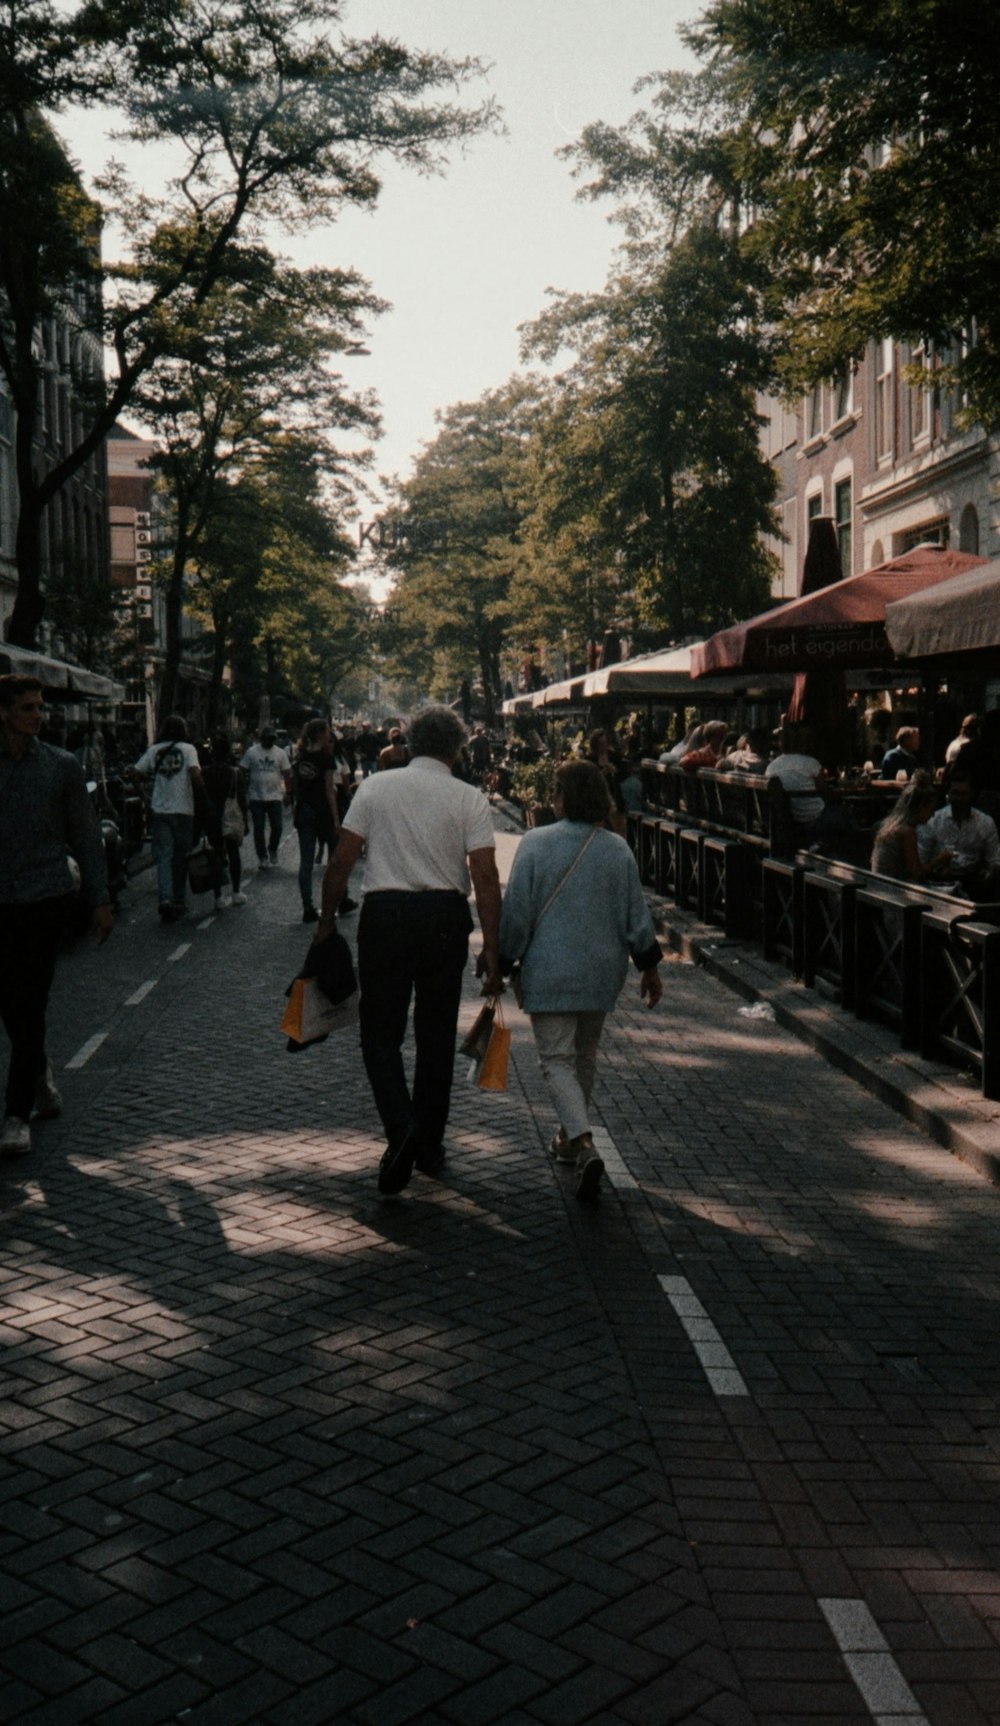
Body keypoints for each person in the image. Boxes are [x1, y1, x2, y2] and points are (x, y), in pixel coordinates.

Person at [315, 705, 502, 1195]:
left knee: (379, 1033)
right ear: (458, 749)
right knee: (436, 1034)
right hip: (444, 919)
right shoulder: (469, 798)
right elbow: (484, 876)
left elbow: (342, 860)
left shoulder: (376, 788)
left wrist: (326, 920)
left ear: (412, 743)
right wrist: (492, 947)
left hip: (386, 917)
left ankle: (400, 1128)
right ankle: (430, 1144)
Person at [499, 760, 662, 1202]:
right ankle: (569, 1138)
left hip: (549, 969)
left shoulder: (534, 843)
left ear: (561, 797)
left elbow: (516, 911)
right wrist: (649, 965)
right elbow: (636, 915)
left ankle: (584, 1143)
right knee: (584, 1055)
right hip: (601, 970)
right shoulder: (617, 849)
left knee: (556, 1060)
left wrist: (503, 959)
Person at [0, 675, 114, 1156]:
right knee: (12, 1003)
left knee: (31, 1000)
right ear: (3, 713)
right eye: (27, 708)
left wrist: (100, 899)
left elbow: (86, 835)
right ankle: (40, 1073)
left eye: (40, 707)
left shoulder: (61, 766)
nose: (38, 716)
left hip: (46, 899)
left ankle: (14, 1115)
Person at [133, 715, 206, 920]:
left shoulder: (154, 750)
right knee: (181, 856)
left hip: (160, 810)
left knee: (164, 856)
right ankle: (179, 900)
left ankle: (164, 899)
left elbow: (135, 773)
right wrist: (203, 797)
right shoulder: (189, 749)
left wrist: (145, 798)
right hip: (184, 810)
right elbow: (194, 773)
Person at [917, 764, 1000, 899]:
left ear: (972, 795)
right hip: (939, 882)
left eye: (963, 794)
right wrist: (936, 868)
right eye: (955, 793)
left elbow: (995, 859)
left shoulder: (985, 822)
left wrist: (991, 872)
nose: (959, 798)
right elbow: (921, 860)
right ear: (948, 794)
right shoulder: (934, 820)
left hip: (973, 881)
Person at [292, 719, 341, 923]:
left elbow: (296, 786)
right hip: (322, 811)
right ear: (321, 734)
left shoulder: (300, 756)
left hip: (303, 811)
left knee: (306, 862)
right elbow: (330, 791)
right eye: (327, 731)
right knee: (335, 858)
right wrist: (336, 818)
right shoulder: (326, 759)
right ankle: (337, 900)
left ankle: (307, 906)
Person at [871, 772, 949, 883]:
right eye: (930, 810)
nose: (932, 815)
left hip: (882, 883)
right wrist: (939, 861)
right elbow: (916, 873)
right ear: (921, 808)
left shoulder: (890, 824)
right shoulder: (906, 832)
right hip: (892, 889)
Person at [201, 734, 248, 908]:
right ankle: (236, 892)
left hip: (212, 816)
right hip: (230, 816)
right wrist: (245, 820)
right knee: (233, 853)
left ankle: (218, 896)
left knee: (214, 856)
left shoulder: (204, 772)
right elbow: (242, 798)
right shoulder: (235, 773)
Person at [241, 725, 292, 869]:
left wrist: (288, 793)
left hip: (275, 796)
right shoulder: (252, 752)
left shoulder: (280, 753)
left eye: (272, 739)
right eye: (267, 738)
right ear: (261, 738)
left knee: (277, 826)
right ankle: (262, 856)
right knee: (258, 828)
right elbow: (242, 770)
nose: (270, 741)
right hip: (256, 796)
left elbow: (287, 773)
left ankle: (273, 848)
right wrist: (244, 791)